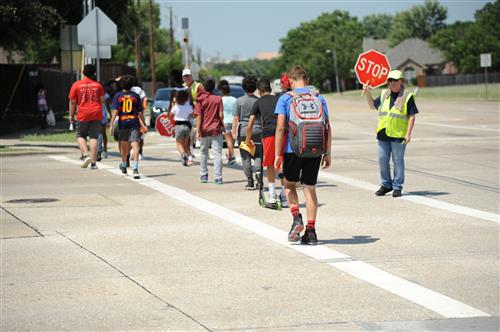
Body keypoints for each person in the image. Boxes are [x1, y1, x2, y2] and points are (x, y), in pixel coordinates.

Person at [274, 65, 332, 245]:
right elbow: (327, 127)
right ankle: (311, 231)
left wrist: (277, 154)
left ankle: (296, 218)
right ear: (306, 80)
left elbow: (281, 127)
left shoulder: (285, 98)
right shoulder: (319, 98)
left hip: (293, 150)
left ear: (290, 80)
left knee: (289, 185)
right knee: (310, 188)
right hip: (315, 149)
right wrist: (327, 153)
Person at [363, 70, 418, 197]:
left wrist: (408, 134)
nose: (392, 83)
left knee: (398, 161)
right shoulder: (384, 94)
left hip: (398, 134)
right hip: (383, 133)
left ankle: (397, 186)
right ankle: (386, 185)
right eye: (390, 80)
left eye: (395, 80)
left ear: (401, 81)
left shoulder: (407, 97)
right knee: (382, 160)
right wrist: (368, 93)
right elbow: (372, 106)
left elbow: (411, 116)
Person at [245, 78, 282, 206]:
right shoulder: (278, 99)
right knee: (282, 163)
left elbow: (250, 125)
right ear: (270, 88)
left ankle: (272, 195)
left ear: (259, 91)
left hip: (269, 134)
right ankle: (284, 194)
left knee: (270, 164)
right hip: (283, 133)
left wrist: (247, 140)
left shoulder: (258, 102)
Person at [68, 64, 105, 169]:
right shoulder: (98, 85)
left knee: (80, 135)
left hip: (83, 113)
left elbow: (72, 102)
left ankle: (85, 155)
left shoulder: (76, 85)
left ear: (83, 72)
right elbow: (102, 100)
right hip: (96, 113)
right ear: (94, 73)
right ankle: (94, 163)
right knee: (94, 137)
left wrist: (71, 115)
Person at [109, 75, 144, 179]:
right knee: (135, 144)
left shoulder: (118, 96)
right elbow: (140, 113)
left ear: (121, 84)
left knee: (124, 146)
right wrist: (144, 124)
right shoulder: (135, 96)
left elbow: (115, 112)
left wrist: (111, 125)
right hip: (134, 122)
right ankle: (136, 168)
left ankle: (124, 164)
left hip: (123, 123)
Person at [233, 75, 261, 190]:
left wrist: (234, 133)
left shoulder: (239, 101)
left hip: (244, 131)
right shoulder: (259, 101)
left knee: (246, 157)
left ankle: (250, 181)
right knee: (258, 154)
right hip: (258, 129)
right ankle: (259, 174)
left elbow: (236, 119)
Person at [194, 78, 224, 184]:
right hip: (216, 128)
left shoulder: (200, 99)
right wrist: (223, 125)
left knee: (203, 152)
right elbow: (220, 115)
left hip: (203, 129)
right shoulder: (218, 99)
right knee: (218, 153)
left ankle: (203, 175)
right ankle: (218, 177)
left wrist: (197, 130)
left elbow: (199, 116)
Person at [182, 68, 203, 165]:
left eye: (188, 76)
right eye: (185, 76)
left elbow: (203, 99)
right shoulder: (182, 87)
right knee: (187, 136)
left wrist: (193, 99)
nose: (186, 78)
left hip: (196, 115)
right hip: (186, 115)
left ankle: (201, 152)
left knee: (197, 134)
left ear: (191, 76)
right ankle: (189, 155)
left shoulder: (198, 86)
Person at [169, 89, 194, 166]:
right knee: (186, 143)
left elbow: (171, 115)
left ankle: (183, 154)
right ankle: (186, 158)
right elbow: (192, 114)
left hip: (178, 125)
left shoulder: (176, 107)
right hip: (187, 126)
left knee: (178, 142)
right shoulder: (188, 107)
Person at [218, 80, 237, 165]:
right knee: (232, 141)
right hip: (233, 121)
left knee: (228, 140)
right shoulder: (234, 99)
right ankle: (229, 156)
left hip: (224, 121)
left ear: (221, 91)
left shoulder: (220, 100)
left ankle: (232, 156)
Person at [131, 80, 148, 160]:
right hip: (139, 114)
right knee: (141, 134)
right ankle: (140, 152)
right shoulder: (140, 90)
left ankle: (131, 151)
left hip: (127, 115)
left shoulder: (124, 90)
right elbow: (144, 101)